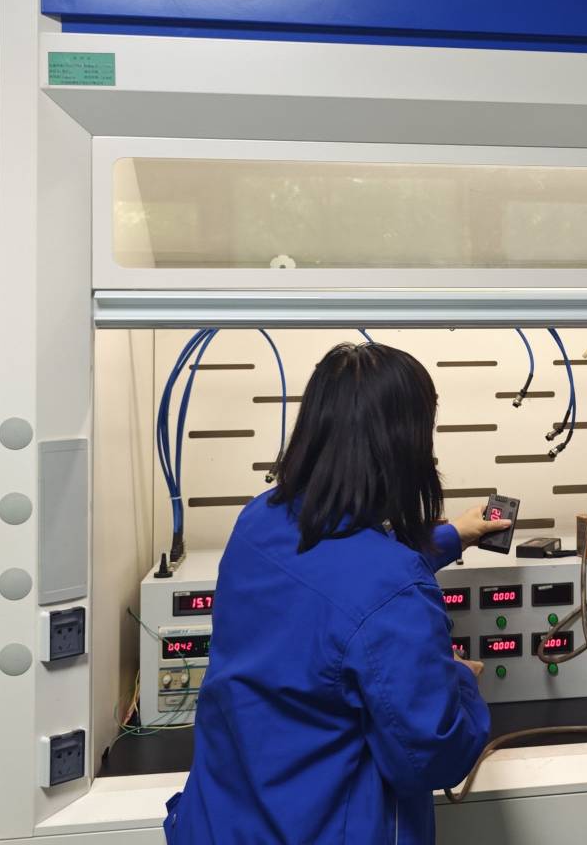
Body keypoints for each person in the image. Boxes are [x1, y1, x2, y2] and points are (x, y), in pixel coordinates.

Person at [165, 341, 512, 845]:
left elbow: (338, 578)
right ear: (403, 448)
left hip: (220, 824)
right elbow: (433, 756)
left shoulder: (259, 520)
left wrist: (452, 535)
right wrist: (457, 680)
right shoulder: (392, 589)